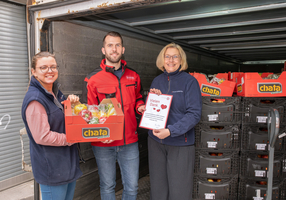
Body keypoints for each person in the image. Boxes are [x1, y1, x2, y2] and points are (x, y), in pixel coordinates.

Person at [83, 31, 145, 200]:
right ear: (103, 50)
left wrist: (140, 107)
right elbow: (88, 112)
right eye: (110, 45)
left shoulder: (134, 76)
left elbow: (139, 98)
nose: (114, 49)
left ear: (123, 49)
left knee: (132, 187)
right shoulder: (92, 79)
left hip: (129, 142)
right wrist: (101, 132)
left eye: (117, 45)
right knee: (108, 185)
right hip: (103, 143)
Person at [21, 52, 83, 200]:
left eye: (53, 67)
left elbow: (65, 119)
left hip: (66, 165)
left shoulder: (54, 91)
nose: (50, 71)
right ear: (34, 72)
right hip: (52, 169)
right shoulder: (35, 100)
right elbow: (42, 136)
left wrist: (73, 104)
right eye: (44, 67)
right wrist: (71, 138)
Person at [148, 43, 202, 200]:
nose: (171, 60)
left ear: (181, 60)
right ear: (162, 59)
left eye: (175, 56)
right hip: (156, 143)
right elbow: (154, 109)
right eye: (167, 56)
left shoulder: (190, 82)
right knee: (158, 190)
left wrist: (171, 131)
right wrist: (147, 106)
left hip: (180, 144)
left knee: (179, 192)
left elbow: (194, 114)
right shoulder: (156, 81)